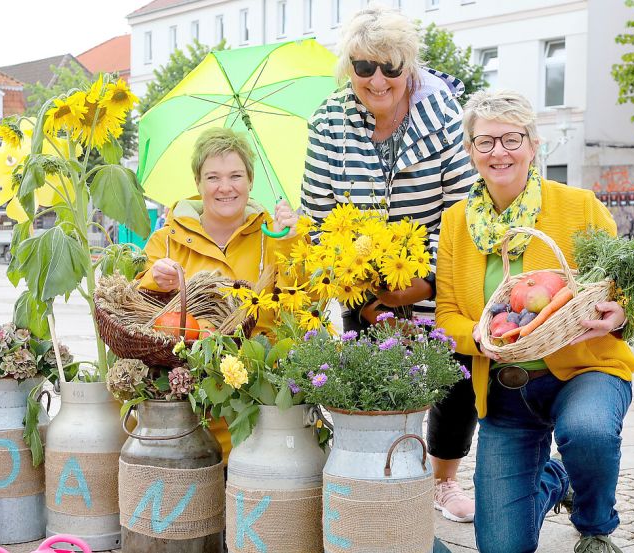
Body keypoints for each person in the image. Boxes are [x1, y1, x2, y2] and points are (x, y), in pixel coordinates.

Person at [434, 89, 634, 553]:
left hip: (584, 370)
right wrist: (480, 338)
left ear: (533, 144)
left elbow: (624, 285)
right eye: (485, 142)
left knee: (587, 431)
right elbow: (446, 316)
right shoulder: (454, 222)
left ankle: (594, 525)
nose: (499, 152)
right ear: (470, 151)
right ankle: (552, 480)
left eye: (511, 138)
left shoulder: (579, 206)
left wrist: (621, 312)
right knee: (501, 547)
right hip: (505, 392)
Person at [300, 4, 478, 524]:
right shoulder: (329, 122)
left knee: (454, 378)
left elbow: (463, 212)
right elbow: (316, 215)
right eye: (363, 67)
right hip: (362, 280)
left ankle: (443, 480)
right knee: (372, 378)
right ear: (349, 70)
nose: (378, 80)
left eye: (390, 67)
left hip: (432, 270)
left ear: (410, 66)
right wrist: (349, 276)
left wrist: (424, 284)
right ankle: (379, 473)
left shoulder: (445, 118)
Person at [137, 126, 301, 460]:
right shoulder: (166, 240)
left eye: (236, 176)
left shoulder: (277, 236)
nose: (225, 187)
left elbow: (302, 307)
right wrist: (155, 278)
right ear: (198, 184)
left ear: (251, 181)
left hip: (258, 410)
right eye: (213, 177)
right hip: (186, 413)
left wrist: (292, 242)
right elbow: (137, 306)